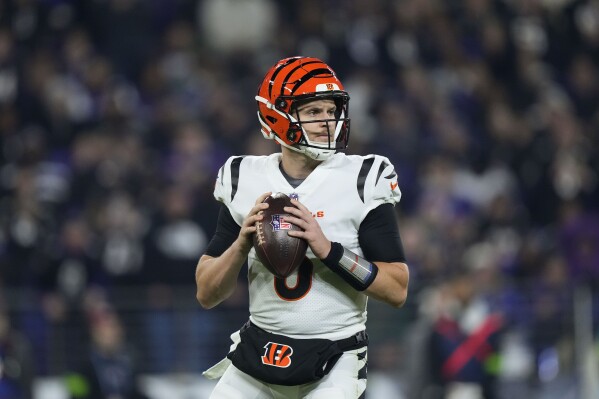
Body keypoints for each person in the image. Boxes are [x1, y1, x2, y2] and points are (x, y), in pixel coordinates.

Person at [195, 56, 409, 399]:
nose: (327, 121)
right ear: (276, 116)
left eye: (331, 110)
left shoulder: (363, 178)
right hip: (258, 354)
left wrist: (329, 251)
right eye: (313, 112)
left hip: (334, 358)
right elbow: (207, 294)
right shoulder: (243, 178)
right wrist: (240, 246)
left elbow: (397, 289)